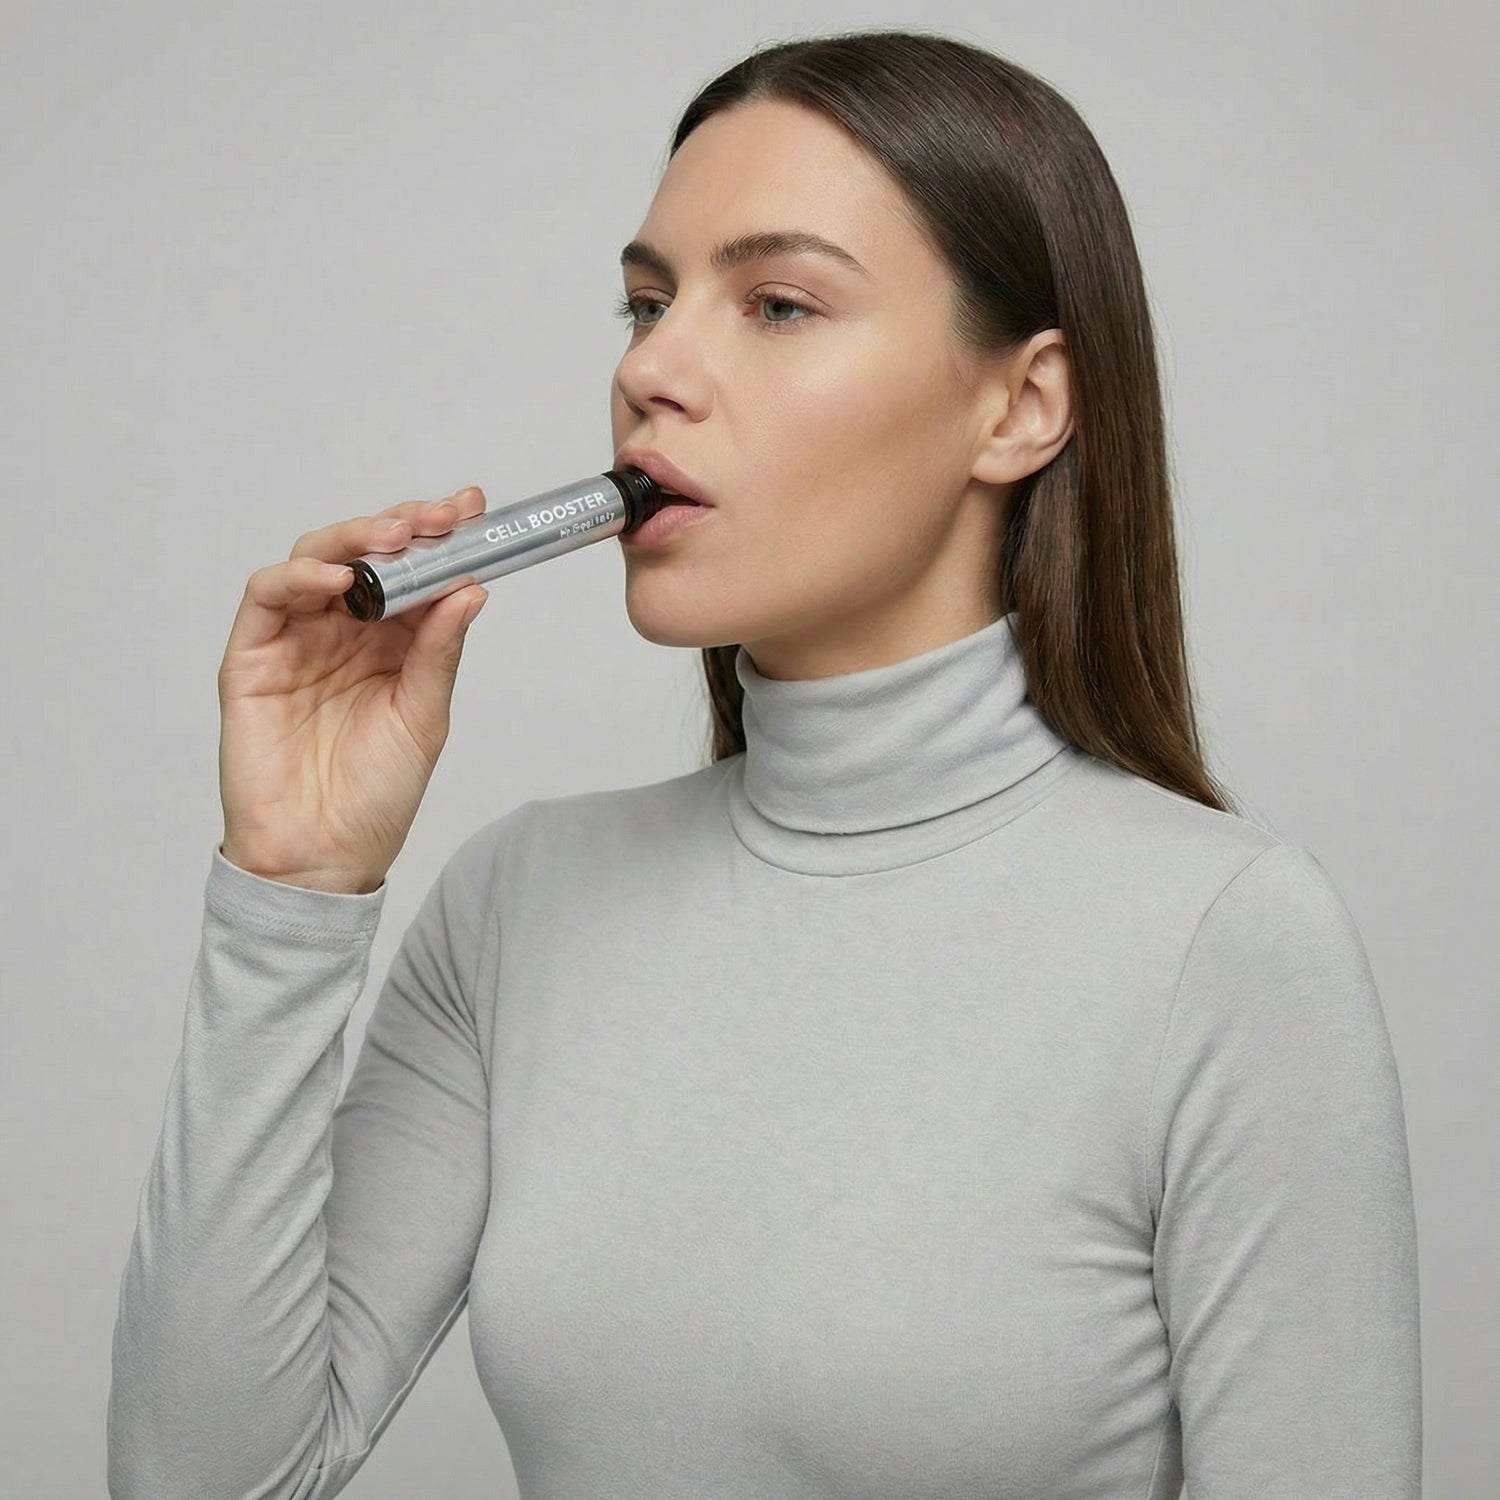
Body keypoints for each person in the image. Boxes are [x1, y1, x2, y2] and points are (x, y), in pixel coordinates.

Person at [107, 27, 1422, 1499]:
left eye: (779, 303)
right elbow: (203, 1481)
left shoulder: (1227, 944)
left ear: (1021, 407)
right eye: (645, 303)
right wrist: (290, 891)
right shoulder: (516, 905)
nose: (653, 368)